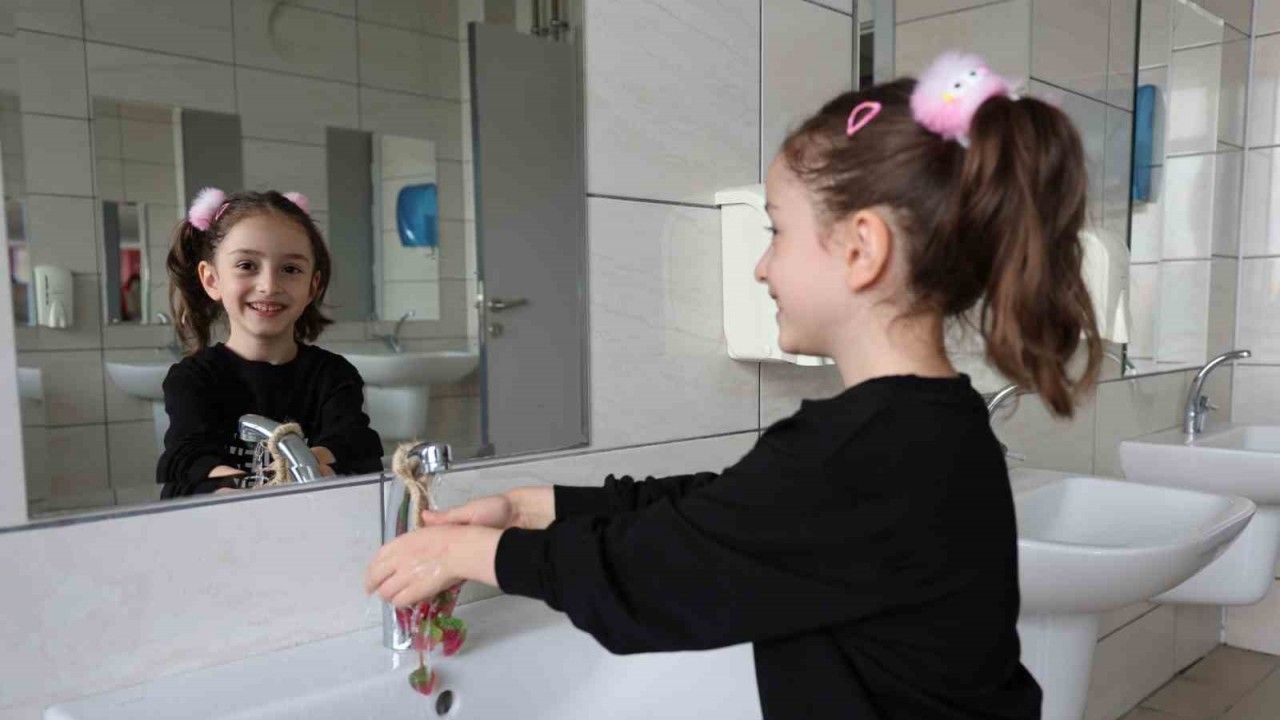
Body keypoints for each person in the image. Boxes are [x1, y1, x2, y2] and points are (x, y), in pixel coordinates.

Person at [365, 53, 1103, 719]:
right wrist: (529, 509)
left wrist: (469, 555)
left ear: (862, 248)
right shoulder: (927, 426)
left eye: (776, 231)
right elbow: (721, 511)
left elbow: (653, 577)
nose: (761, 266)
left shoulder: (867, 449)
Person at [156, 189, 383, 497]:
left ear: (312, 286)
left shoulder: (333, 375)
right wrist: (252, 490)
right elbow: (188, 458)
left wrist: (302, 466)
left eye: (290, 269)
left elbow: (354, 445)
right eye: (247, 265)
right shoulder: (193, 378)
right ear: (211, 279)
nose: (269, 286)